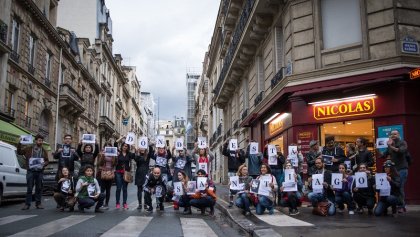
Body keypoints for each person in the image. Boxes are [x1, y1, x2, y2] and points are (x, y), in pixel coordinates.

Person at [376, 130, 408, 213]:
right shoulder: (389, 145)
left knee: (400, 187)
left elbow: (401, 151)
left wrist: (391, 146)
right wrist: (377, 149)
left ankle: (401, 206)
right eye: (392, 134)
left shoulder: (402, 142)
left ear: (398, 135)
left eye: (395, 134)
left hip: (402, 169)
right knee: (394, 186)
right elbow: (383, 155)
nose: (393, 135)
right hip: (394, 170)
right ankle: (394, 204)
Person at [17, 134, 49, 210]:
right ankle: (27, 204)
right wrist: (19, 143)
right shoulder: (29, 148)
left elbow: (47, 160)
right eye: (39, 140)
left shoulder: (44, 150)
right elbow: (19, 152)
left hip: (39, 171)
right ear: (35, 141)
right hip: (30, 171)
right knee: (29, 188)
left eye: (41, 141)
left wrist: (44, 163)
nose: (40, 142)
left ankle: (38, 204)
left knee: (39, 188)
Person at [223, 141, 245, 207]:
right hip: (231, 171)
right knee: (231, 187)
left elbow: (243, 160)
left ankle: (240, 200)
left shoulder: (241, 151)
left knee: (240, 186)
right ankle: (231, 201)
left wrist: (239, 154)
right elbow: (224, 152)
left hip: (239, 172)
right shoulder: (229, 151)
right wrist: (225, 145)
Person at [96, 143, 116, 210]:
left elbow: (115, 163)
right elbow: (99, 164)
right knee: (102, 189)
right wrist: (102, 156)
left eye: (110, 147)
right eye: (107, 147)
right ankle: (100, 203)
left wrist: (116, 156)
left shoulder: (113, 155)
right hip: (103, 172)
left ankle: (106, 203)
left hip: (110, 173)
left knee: (108, 190)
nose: (108, 149)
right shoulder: (101, 154)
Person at [115, 143, 134, 210]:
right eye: (123, 146)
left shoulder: (129, 154)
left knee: (125, 189)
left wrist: (134, 148)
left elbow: (135, 156)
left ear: (127, 147)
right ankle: (117, 203)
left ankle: (124, 203)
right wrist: (121, 138)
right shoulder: (118, 153)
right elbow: (115, 144)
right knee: (118, 188)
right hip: (118, 172)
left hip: (126, 173)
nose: (124, 147)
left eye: (126, 146)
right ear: (121, 146)